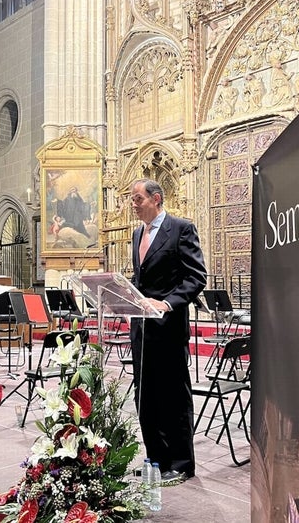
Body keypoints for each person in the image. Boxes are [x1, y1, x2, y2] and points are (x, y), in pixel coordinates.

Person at [128, 178, 207, 484]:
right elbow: (142, 279)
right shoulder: (137, 233)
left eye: (138, 199)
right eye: (132, 199)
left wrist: (166, 303)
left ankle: (182, 462)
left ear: (156, 199)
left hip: (168, 327)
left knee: (172, 395)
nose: (133, 204)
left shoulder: (181, 229)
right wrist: (128, 295)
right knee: (145, 395)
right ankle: (156, 459)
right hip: (142, 328)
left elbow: (195, 277)